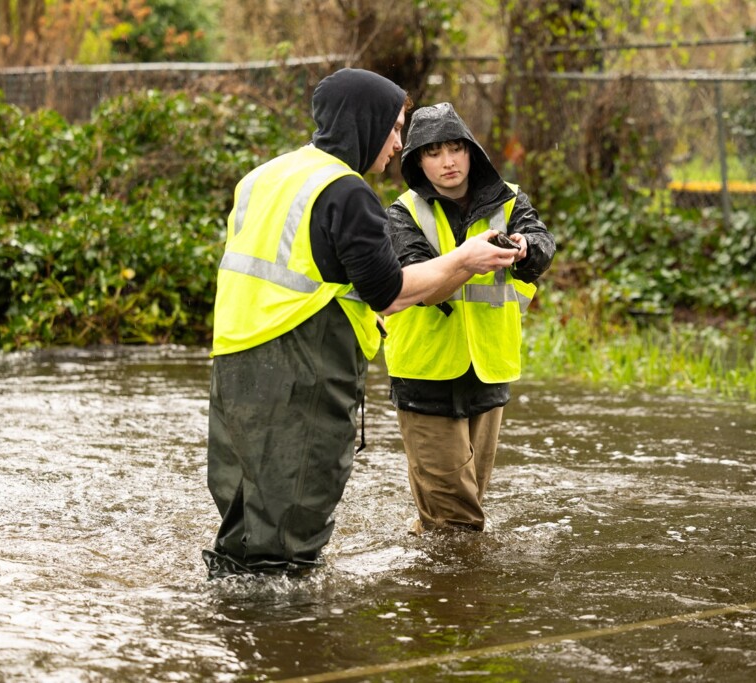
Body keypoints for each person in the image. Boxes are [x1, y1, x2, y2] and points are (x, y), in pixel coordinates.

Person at [202, 70, 521, 579]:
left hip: (234, 364)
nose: (399, 144)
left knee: (245, 516)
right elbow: (388, 292)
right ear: (364, 122)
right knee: (294, 526)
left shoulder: (264, 175)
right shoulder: (344, 190)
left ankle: (238, 623)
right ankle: (290, 640)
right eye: (394, 127)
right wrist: (464, 260)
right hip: (299, 372)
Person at [384, 102, 556, 535]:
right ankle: (457, 597)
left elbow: (542, 244)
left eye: (456, 148)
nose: (447, 162)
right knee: (458, 522)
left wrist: (525, 248)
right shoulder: (403, 213)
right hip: (426, 372)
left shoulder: (511, 200)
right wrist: (467, 259)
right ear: (416, 161)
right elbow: (416, 286)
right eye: (433, 152)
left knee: (457, 514)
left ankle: (431, 586)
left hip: (489, 369)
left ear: (472, 152)